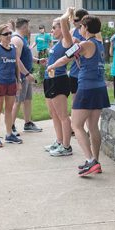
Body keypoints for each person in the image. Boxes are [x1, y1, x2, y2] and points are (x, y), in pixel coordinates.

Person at [47, 11, 110, 177]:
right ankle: (95, 161)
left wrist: (52, 66)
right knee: (93, 126)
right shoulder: (98, 43)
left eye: (81, 26)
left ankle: (90, 160)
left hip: (87, 88)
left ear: (86, 28)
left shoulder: (85, 45)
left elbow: (66, 58)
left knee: (76, 125)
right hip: (99, 88)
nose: (79, 28)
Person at [43, 16, 74, 157]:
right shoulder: (56, 43)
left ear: (63, 28)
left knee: (63, 116)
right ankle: (59, 141)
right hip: (49, 80)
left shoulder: (67, 41)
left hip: (59, 80)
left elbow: (64, 24)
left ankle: (67, 146)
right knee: (53, 114)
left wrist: (65, 16)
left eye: (54, 27)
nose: (52, 30)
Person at [0, 23, 23, 147]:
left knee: (8, 109)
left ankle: (9, 134)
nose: (9, 36)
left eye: (10, 33)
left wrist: (18, 81)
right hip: (0, 83)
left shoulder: (14, 48)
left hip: (11, 82)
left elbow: (16, 66)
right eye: (6, 34)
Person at [10, 18, 42, 134]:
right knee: (17, 101)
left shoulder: (22, 39)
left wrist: (38, 61)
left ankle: (28, 123)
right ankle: (11, 126)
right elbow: (16, 60)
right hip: (21, 76)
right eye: (28, 26)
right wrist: (26, 74)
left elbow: (26, 56)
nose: (29, 29)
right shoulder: (16, 40)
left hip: (25, 75)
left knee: (27, 99)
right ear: (24, 27)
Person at [68, 7, 89, 95]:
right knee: (75, 98)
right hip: (74, 71)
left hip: (86, 70)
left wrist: (78, 42)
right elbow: (69, 52)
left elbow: (91, 49)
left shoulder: (90, 33)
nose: (73, 22)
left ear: (83, 20)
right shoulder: (73, 31)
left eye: (76, 20)